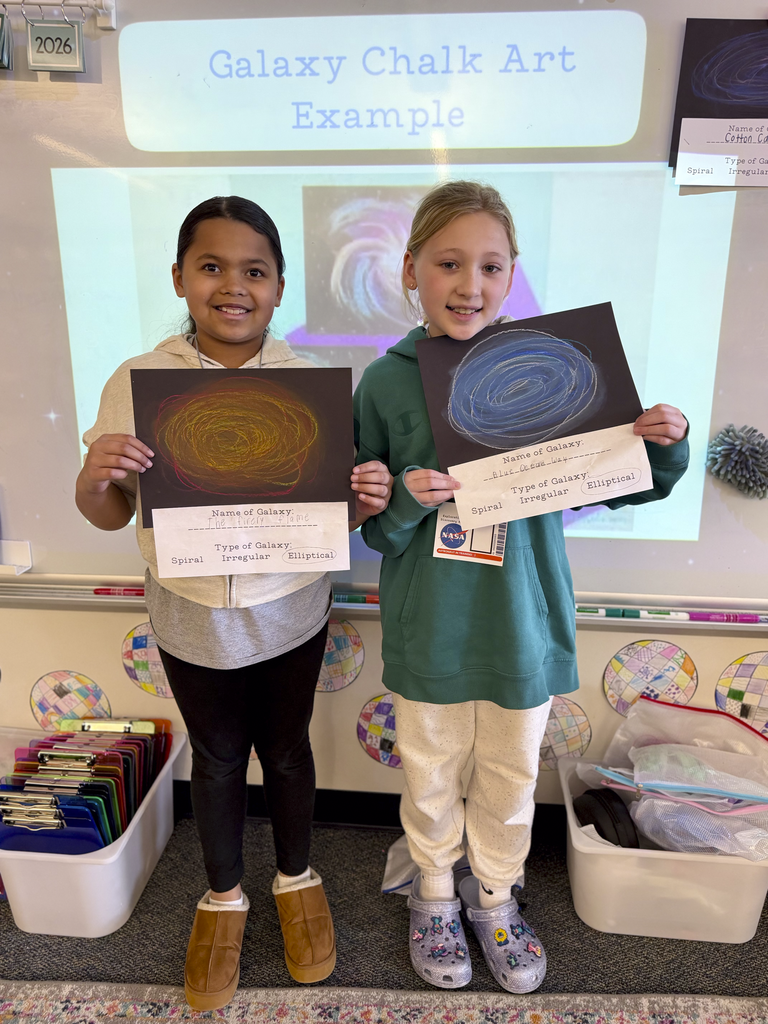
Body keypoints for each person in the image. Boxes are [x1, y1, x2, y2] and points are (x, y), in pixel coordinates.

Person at [353, 180, 689, 993]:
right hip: (431, 623)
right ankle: (435, 895)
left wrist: (664, 444)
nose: (470, 284)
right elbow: (373, 528)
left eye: (491, 266)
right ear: (410, 271)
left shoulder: (550, 369)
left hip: (523, 624)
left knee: (509, 776)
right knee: (430, 773)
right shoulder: (385, 383)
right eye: (448, 263)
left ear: (512, 276)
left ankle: (495, 898)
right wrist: (402, 497)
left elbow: (623, 478)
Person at [75, 196, 392, 1010]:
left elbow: (333, 514)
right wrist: (96, 478)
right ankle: (222, 898)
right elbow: (112, 511)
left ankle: (296, 879)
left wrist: (361, 499)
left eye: (254, 270)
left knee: (285, 750)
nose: (232, 287)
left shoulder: (311, 382)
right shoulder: (137, 382)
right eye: (210, 267)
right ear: (180, 277)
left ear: (281, 286)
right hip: (187, 608)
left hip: (288, 603)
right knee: (215, 758)